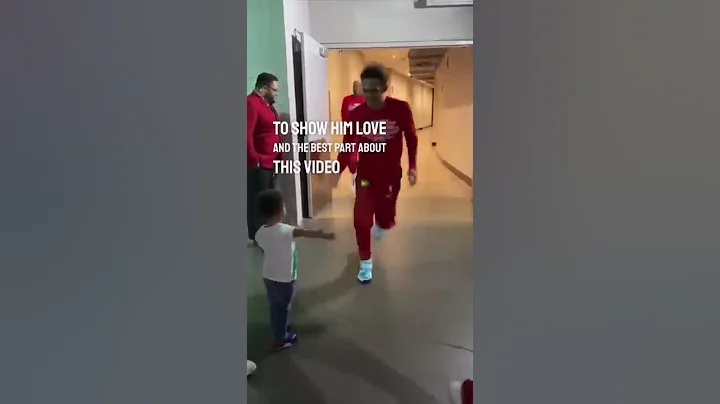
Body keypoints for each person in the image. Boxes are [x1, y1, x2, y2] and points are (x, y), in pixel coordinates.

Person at [336, 64, 418, 284]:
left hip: (391, 177)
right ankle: (365, 262)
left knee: (386, 216)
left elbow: (411, 138)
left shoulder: (401, 109)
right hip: (365, 177)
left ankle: (383, 222)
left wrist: (412, 166)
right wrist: (338, 168)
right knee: (361, 220)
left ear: (385, 88)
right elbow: (347, 144)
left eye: (374, 90)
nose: (369, 95)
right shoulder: (357, 114)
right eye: (365, 90)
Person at [254, 189, 336, 350]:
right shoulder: (285, 230)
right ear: (280, 210)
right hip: (286, 278)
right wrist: (322, 235)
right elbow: (304, 232)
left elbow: (264, 249)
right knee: (284, 307)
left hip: (268, 276)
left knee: (274, 305)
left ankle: (278, 328)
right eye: (283, 204)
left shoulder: (259, 233)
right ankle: (281, 339)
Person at [247, 72, 282, 245]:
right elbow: (247, 133)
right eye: (274, 90)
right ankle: (257, 237)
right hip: (259, 164)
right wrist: (256, 159)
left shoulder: (268, 105)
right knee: (257, 202)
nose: (276, 93)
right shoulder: (251, 104)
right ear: (264, 88)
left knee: (268, 201)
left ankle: (267, 233)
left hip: (271, 162)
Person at [340, 81, 365, 189]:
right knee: (349, 157)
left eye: (358, 87)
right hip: (350, 134)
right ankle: (354, 175)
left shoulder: (366, 100)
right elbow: (343, 114)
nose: (356, 89)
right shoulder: (347, 100)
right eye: (354, 87)